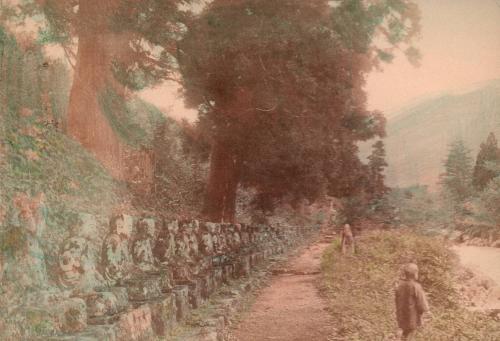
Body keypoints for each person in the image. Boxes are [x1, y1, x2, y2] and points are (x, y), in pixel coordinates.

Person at [395, 263, 430, 340]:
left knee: (404, 335)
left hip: (401, 316)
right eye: (417, 272)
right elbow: (422, 304)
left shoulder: (400, 286)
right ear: (414, 274)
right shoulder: (416, 286)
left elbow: (397, 301)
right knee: (410, 336)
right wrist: (426, 311)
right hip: (412, 317)